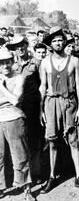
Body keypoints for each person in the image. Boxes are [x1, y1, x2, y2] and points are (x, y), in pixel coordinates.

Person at [39, 26, 79, 193]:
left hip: (69, 102)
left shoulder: (73, 60)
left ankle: (78, 176)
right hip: (51, 103)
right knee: (52, 141)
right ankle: (52, 176)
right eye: (54, 41)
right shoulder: (45, 63)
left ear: (64, 41)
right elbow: (42, 87)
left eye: (60, 39)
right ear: (50, 44)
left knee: (74, 141)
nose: (58, 43)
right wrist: (41, 110)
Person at [0, 48, 36, 201]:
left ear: (12, 63)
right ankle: (1, 187)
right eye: (1, 63)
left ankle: (27, 189)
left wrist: (1, 86)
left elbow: (15, 100)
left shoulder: (19, 78)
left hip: (14, 117)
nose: (5, 66)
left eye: (8, 62)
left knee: (20, 155)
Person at [7, 36, 44, 183]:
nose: (20, 48)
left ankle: (37, 172)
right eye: (16, 47)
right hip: (17, 109)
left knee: (35, 140)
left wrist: (41, 108)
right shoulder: (11, 65)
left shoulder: (36, 63)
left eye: (22, 45)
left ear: (26, 45)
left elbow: (43, 86)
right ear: (14, 50)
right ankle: (23, 176)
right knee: (22, 142)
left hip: (33, 107)